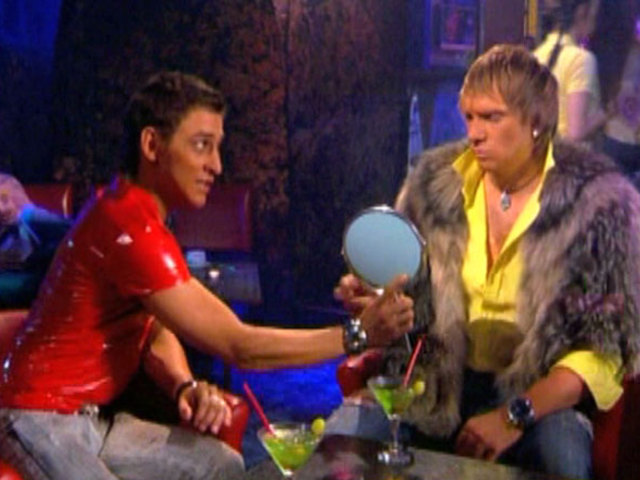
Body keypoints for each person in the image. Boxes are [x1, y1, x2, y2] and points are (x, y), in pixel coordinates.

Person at [0, 71, 415, 479]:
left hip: (92, 418)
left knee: (221, 464)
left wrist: (184, 385)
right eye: (202, 145)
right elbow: (239, 345)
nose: (216, 165)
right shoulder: (128, 225)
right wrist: (357, 334)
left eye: (218, 147)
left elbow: (154, 327)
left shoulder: (139, 215)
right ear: (152, 145)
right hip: (37, 416)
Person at [328, 44, 640, 479]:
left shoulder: (598, 204)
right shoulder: (433, 185)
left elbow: (603, 348)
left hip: (539, 395)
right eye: (470, 117)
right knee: (341, 441)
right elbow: (407, 292)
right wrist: (375, 294)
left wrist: (513, 415)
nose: (474, 133)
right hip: (436, 381)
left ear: (536, 122)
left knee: (561, 457)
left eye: (492, 118)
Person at [534, 0, 607, 144]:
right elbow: (575, 133)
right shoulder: (581, 59)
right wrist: (604, 115)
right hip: (568, 155)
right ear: (582, 12)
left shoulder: (536, 55)